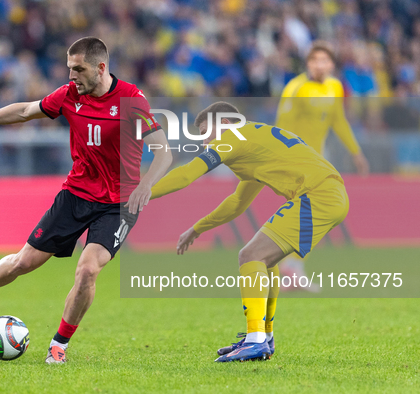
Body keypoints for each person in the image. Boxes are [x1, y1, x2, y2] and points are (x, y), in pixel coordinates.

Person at [0, 37, 172, 364]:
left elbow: (164, 151)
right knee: (24, 262)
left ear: (101, 68)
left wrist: (147, 184)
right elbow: (23, 111)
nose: (72, 75)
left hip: (118, 205)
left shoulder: (133, 100)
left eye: (79, 69)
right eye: (69, 68)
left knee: (88, 269)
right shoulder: (69, 95)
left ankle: (59, 344)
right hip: (75, 195)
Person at [150, 101, 349, 362]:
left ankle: (256, 339)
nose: (202, 140)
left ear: (225, 123)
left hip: (318, 195)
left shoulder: (233, 137)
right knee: (265, 260)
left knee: (251, 256)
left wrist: (141, 194)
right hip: (329, 193)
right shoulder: (254, 142)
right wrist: (197, 229)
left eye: (205, 131)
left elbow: (188, 173)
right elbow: (237, 203)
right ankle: (263, 336)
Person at [275, 40, 368, 290]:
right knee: (317, 210)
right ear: (308, 63)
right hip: (295, 160)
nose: (320, 65)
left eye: (325, 60)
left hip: (317, 160)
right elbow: (281, 125)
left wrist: (356, 153)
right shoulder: (295, 88)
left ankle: (289, 267)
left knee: (310, 213)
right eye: (315, 60)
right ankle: (290, 267)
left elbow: (339, 121)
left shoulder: (335, 87)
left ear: (332, 64)